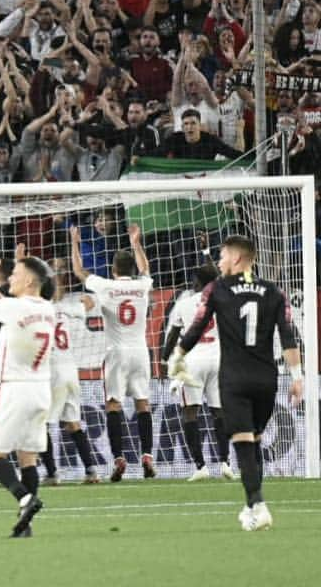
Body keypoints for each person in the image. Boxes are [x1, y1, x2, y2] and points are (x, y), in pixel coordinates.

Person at [168, 235, 304, 531]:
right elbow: (288, 336)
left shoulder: (217, 289)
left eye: (223, 255)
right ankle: (250, 506)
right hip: (267, 379)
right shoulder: (274, 292)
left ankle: (259, 504)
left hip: (235, 378)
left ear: (238, 258)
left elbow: (196, 326)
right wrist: (297, 377)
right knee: (253, 440)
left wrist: (176, 356)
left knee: (243, 443)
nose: (219, 261)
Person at [0, 246, 57, 538]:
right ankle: (26, 524)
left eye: (17, 274)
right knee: (28, 458)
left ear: (31, 282)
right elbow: (10, 310)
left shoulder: (14, 307)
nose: (11, 278)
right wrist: (0, 288)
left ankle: (24, 498)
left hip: (14, 388)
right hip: (41, 390)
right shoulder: (48, 308)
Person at [71, 224, 156, 482]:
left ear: (113, 269)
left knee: (113, 404)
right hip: (140, 351)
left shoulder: (105, 286)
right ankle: (148, 456)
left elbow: (79, 272)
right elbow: (146, 269)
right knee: (143, 403)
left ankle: (119, 457)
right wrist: (136, 243)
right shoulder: (143, 286)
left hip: (116, 352)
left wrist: (75, 243)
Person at [162, 263, 234, 481]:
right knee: (219, 411)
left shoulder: (184, 304)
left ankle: (200, 467)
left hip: (193, 359)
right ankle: (225, 462)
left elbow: (173, 337)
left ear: (197, 283)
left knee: (190, 411)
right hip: (218, 358)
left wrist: (166, 359)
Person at [43, 284, 100, 484]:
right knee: (73, 423)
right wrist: (84, 296)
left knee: (41, 424)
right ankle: (91, 470)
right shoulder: (65, 309)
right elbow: (90, 304)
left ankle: (51, 473)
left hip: (52, 371)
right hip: (70, 370)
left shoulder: (37, 312)